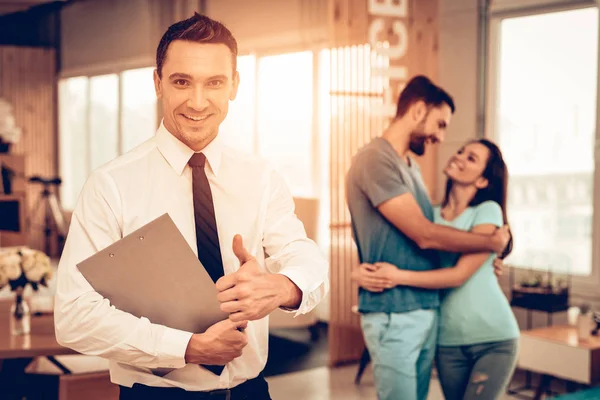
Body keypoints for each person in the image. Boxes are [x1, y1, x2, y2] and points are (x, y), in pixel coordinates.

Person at [54, 13, 328, 400]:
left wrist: (283, 287)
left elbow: (306, 257)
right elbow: (73, 316)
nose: (197, 103)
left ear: (234, 85)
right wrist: (186, 348)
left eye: (214, 83)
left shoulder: (261, 177)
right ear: (157, 83)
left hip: (250, 392)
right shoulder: (110, 186)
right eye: (182, 82)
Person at [345, 75, 510, 400]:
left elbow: (391, 235)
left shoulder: (412, 168)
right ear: (418, 110)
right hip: (393, 312)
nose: (440, 136)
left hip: (424, 310)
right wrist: (491, 244)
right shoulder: (375, 159)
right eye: (440, 123)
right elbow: (425, 235)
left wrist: (489, 259)